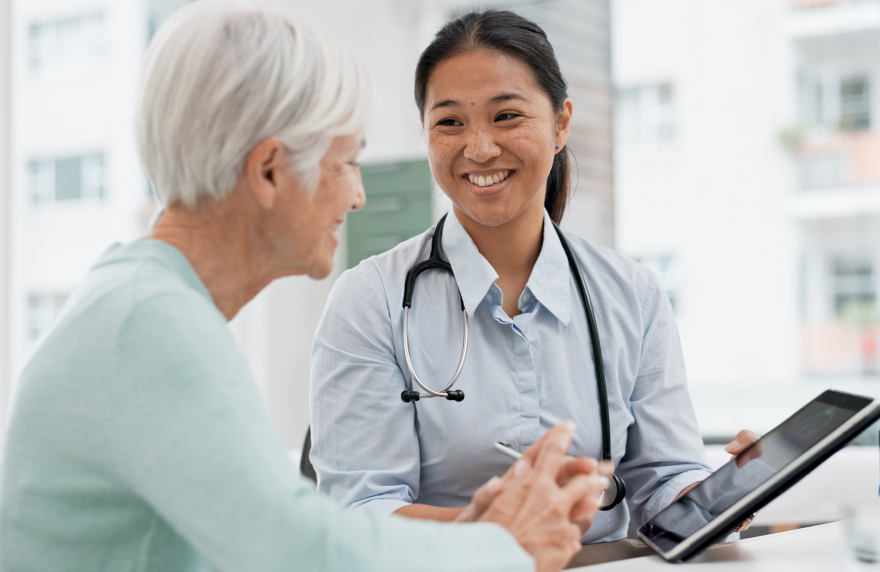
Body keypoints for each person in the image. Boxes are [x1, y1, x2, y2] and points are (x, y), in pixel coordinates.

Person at [0, 3, 612, 572]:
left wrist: (482, 528)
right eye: (345, 161)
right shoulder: (147, 325)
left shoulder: (146, 305)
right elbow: (296, 551)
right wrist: (505, 549)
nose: (358, 193)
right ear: (269, 171)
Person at [309, 9, 757, 543]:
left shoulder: (632, 294)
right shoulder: (369, 300)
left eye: (506, 116)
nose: (479, 148)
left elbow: (664, 481)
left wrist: (722, 498)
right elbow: (358, 513)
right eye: (450, 122)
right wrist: (502, 534)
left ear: (561, 123)